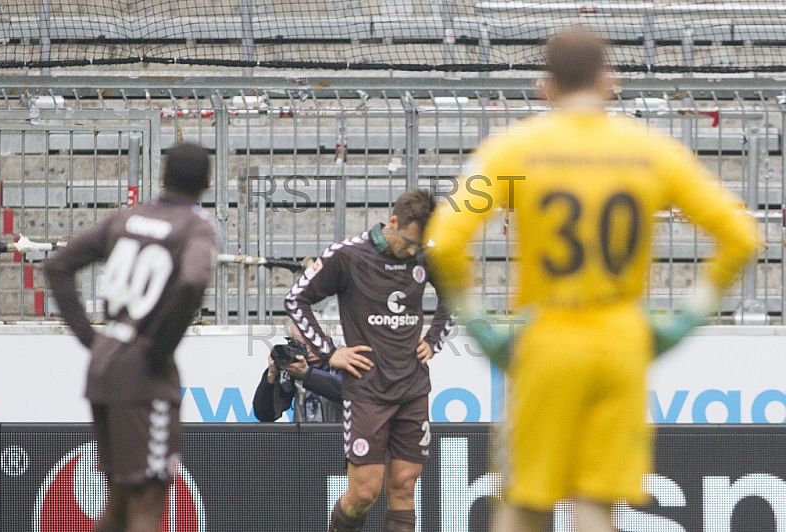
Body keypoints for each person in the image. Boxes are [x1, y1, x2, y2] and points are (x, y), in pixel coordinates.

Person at [424, 28, 761, 532]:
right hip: (623, 343)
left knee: (525, 501)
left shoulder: (515, 152)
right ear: (610, 82)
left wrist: (479, 324)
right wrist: (685, 318)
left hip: (547, 341)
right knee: (597, 508)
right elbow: (740, 233)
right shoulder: (650, 152)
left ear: (546, 87)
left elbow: (445, 237)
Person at [44, 143, 220, 532]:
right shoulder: (197, 226)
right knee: (147, 500)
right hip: (143, 373)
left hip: (105, 363)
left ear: (162, 176)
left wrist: (90, 338)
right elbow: (192, 279)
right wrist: (160, 347)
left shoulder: (127, 217)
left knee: (119, 501)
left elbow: (58, 265)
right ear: (208, 182)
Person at [284, 188, 453, 532]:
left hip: (412, 386)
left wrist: (434, 339)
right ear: (393, 222)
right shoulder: (348, 256)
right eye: (408, 242)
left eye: (418, 247)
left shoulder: (427, 255)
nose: (412, 252)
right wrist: (331, 352)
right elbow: (296, 299)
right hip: (367, 391)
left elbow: (456, 295)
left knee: (404, 485)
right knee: (364, 492)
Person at [253, 322, 343, 422]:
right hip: (303, 436)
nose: (308, 350)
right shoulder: (294, 370)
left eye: (312, 342)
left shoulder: (344, 359)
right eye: (300, 345)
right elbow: (265, 415)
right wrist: (271, 377)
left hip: (341, 435)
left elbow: (346, 391)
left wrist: (307, 374)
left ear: (326, 339)